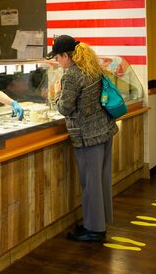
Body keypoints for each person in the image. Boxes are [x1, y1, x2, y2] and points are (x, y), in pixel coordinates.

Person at [46, 35, 117, 243]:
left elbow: (64, 108)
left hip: (87, 136)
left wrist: (57, 93)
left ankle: (94, 229)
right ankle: (101, 221)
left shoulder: (72, 75)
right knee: (101, 180)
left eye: (58, 58)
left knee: (90, 183)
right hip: (104, 131)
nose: (58, 62)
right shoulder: (92, 67)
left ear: (66, 55)